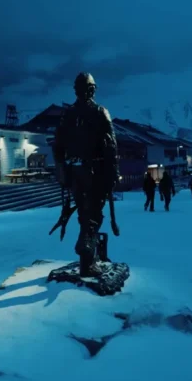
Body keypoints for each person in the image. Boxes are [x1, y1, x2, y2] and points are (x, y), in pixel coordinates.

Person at [52, 72, 120, 277]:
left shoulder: (67, 114)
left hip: (74, 172)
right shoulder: (100, 112)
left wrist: (62, 169)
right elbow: (111, 146)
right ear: (92, 90)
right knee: (93, 215)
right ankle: (86, 254)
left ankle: (88, 254)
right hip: (95, 172)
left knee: (84, 213)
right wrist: (113, 173)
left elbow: (58, 146)